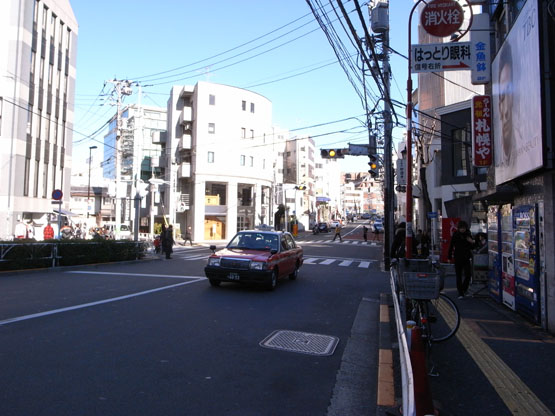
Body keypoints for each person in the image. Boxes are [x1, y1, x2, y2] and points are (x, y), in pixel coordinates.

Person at [448, 220, 475, 299]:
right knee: (458, 275)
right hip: (458, 257)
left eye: (464, 228)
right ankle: (460, 292)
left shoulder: (468, 234)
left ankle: (464, 288)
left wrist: (471, 242)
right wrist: (449, 257)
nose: (463, 229)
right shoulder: (456, 235)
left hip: (466, 257)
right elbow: (451, 246)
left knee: (468, 274)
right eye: (461, 228)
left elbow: (472, 247)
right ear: (458, 228)